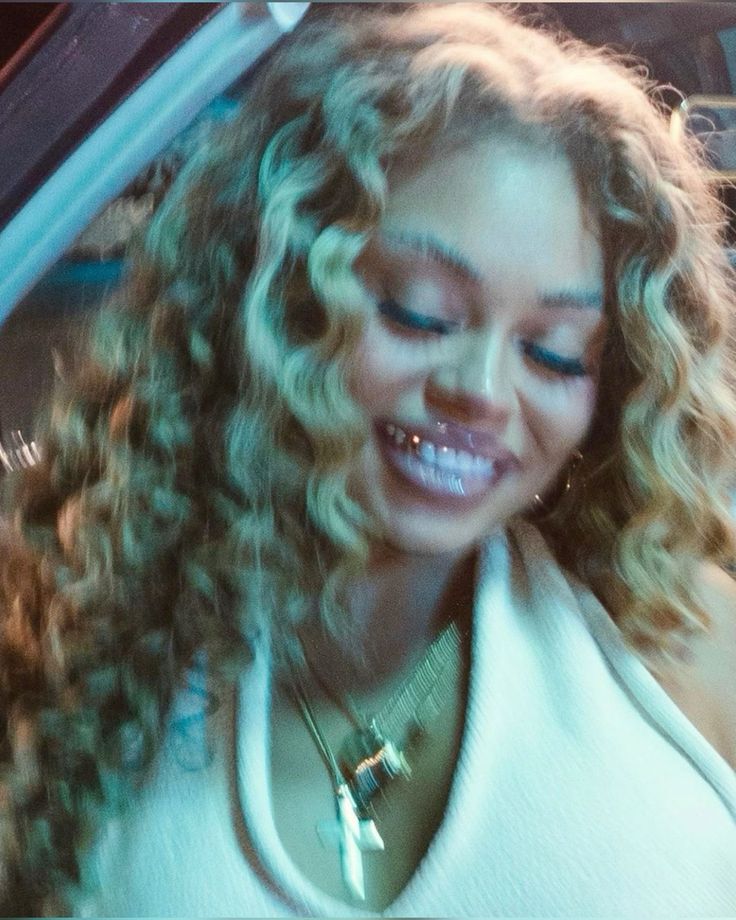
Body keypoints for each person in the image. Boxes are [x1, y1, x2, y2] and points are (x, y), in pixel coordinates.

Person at [1, 2, 735, 915]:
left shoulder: (691, 653)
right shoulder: (62, 644)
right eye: (420, 312)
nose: (482, 389)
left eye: (553, 351)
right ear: (277, 298)